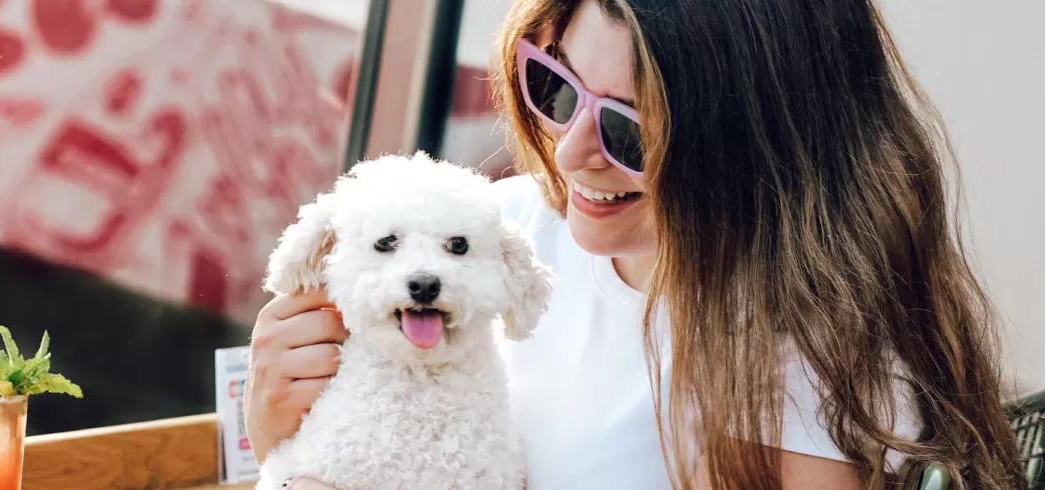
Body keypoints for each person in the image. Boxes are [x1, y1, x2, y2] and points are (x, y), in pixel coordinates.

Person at [244, 0, 1026, 488]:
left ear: (760, 146)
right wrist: (273, 427)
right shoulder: (488, 235)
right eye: (555, 87)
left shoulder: (804, 351)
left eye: (631, 131)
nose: (569, 151)